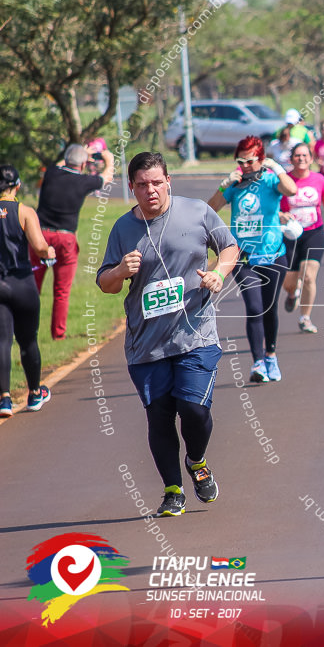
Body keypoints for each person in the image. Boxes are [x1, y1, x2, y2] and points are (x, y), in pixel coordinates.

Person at [97, 152, 239, 516]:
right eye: (142, 185)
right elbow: (105, 283)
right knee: (159, 417)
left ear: (168, 181)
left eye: (157, 183)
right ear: (132, 188)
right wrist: (119, 271)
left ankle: (197, 459)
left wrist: (219, 274)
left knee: (192, 409)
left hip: (196, 334)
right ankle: (173, 490)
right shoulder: (122, 229)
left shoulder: (196, 212)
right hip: (147, 343)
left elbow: (229, 246)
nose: (150, 191)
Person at [208, 136, 297, 382]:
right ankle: (257, 363)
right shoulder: (235, 185)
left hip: (273, 255)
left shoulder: (270, 181)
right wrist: (224, 185)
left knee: (269, 309)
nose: (245, 166)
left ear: (261, 159)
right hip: (243, 257)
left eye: (250, 161)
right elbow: (210, 209)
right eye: (241, 161)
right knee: (254, 308)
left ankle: (271, 355)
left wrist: (277, 168)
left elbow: (291, 189)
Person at [33, 143, 114, 339]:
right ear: (84, 164)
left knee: (33, 286)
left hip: (40, 236)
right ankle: (58, 334)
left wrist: (79, 153)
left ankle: (28, 331)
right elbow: (107, 177)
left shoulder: (52, 173)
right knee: (61, 291)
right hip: (66, 238)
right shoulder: (84, 181)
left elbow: (63, 163)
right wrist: (109, 160)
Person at [0, 165, 55, 417]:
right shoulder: (24, 212)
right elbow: (40, 247)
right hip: (22, 283)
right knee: (28, 340)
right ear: (18, 186)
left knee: (2, 342)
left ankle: (4, 400)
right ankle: (34, 393)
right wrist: (49, 252)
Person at [280, 143, 324, 333]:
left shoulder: (319, 179)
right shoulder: (283, 181)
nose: (301, 159)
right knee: (288, 283)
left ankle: (305, 317)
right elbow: (274, 207)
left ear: (311, 159)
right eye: (297, 155)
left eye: (305, 155)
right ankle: (292, 294)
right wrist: (281, 215)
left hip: (314, 233)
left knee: (309, 277)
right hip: (289, 236)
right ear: (291, 159)